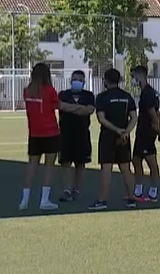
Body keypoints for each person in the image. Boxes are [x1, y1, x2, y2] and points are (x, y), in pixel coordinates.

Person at [89, 68, 138, 210]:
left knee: (106, 167)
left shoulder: (102, 97)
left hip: (108, 136)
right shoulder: (127, 96)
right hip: (124, 137)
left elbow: (101, 118)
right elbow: (134, 117)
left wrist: (116, 130)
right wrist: (125, 132)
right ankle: (131, 198)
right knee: (125, 167)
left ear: (106, 80)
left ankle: (102, 200)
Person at [21, 63, 62, 211]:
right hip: (50, 133)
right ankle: (44, 200)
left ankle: (24, 201)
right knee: (49, 167)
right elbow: (57, 105)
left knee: (32, 166)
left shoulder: (27, 91)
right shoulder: (50, 91)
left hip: (34, 134)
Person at [57, 70, 97, 202]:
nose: (77, 82)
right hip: (65, 134)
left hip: (82, 134)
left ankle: (76, 190)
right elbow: (61, 106)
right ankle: (66, 190)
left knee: (80, 163)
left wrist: (72, 108)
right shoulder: (63, 94)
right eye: (75, 79)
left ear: (84, 82)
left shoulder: (89, 95)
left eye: (80, 80)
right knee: (65, 162)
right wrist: (79, 108)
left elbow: (89, 110)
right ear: (70, 80)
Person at [130, 65, 160, 203]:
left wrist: (159, 132)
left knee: (151, 162)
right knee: (136, 160)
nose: (133, 79)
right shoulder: (146, 92)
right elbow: (158, 113)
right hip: (141, 132)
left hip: (147, 133)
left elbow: (154, 114)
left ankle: (153, 192)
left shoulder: (148, 93)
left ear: (140, 76)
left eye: (134, 76)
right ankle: (138, 190)